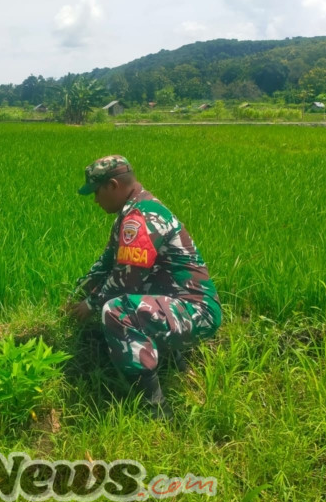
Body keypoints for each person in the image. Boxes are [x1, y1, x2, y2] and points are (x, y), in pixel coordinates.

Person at [68, 155, 221, 419]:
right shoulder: (131, 212)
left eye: (96, 192)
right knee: (121, 299)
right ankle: (172, 361)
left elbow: (126, 280)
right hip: (176, 304)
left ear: (113, 185)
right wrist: (76, 294)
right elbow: (105, 265)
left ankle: (154, 407)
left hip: (197, 311)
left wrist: (90, 305)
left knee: (117, 310)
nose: (95, 200)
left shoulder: (139, 217)